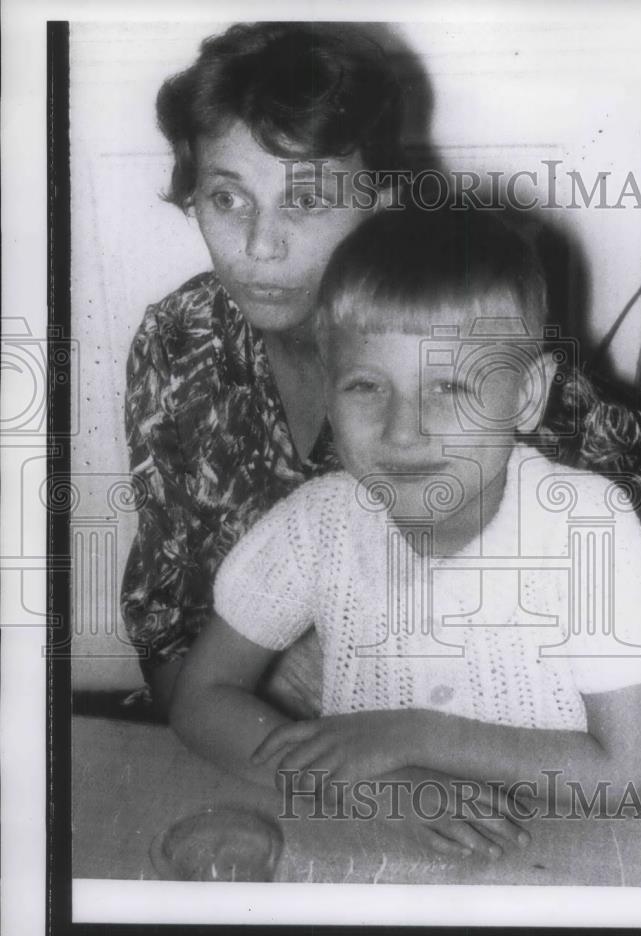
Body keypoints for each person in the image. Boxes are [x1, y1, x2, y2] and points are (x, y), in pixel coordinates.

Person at [170, 207, 641, 857]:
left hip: (564, 869)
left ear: (528, 395)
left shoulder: (587, 528)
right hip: (373, 854)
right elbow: (201, 698)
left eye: (450, 386)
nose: (403, 431)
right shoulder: (319, 524)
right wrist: (376, 790)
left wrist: (418, 735)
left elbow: (630, 773)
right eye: (366, 385)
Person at [120, 22, 417, 717]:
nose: (259, 246)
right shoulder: (178, 340)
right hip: (233, 739)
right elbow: (163, 620)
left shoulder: (458, 337)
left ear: (380, 203)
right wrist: (244, 704)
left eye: (307, 201)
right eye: (228, 198)